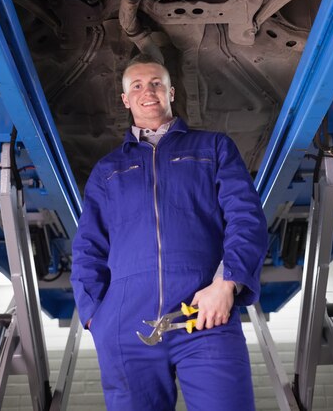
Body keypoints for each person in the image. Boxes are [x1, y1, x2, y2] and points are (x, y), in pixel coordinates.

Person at [71, 53, 268, 411]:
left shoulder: (212, 147)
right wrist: (95, 317)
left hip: (204, 314)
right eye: (137, 85)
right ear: (125, 99)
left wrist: (228, 283)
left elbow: (246, 217)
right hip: (125, 325)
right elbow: (88, 246)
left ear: (172, 92)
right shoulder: (108, 170)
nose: (148, 91)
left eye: (157, 83)